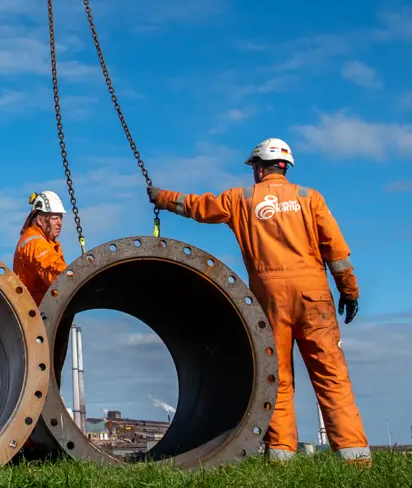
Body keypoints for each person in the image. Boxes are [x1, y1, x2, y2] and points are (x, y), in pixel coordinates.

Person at [148, 138, 371, 466]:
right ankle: (354, 457)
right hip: (313, 297)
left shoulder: (241, 199)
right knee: (331, 375)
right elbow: (336, 252)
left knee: (276, 377)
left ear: (259, 168)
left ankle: (280, 455)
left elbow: (199, 207)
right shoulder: (310, 198)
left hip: (270, 299)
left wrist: (162, 198)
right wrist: (349, 291)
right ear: (285, 167)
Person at [13, 190, 68, 305]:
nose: (59, 223)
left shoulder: (44, 241)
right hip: (37, 310)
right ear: (40, 220)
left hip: (39, 309)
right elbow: (57, 274)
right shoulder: (36, 244)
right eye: (54, 218)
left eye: (60, 218)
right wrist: (79, 277)